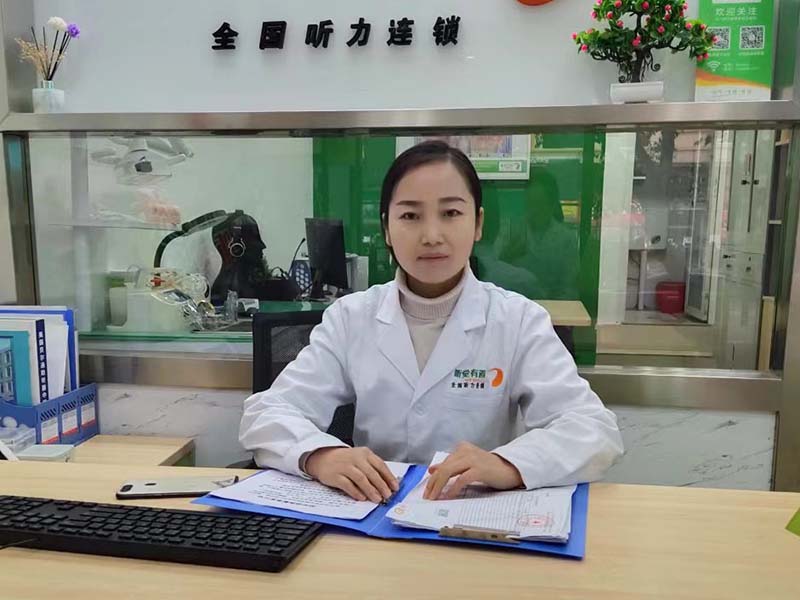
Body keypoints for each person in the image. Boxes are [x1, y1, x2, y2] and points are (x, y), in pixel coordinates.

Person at [240, 141, 623, 503]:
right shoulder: (351, 318)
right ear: (387, 229)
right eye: (410, 215)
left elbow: (593, 430)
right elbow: (267, 414)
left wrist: (507, 464)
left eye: (451, 213)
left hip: (473, 518)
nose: (431, 235)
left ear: (478, 223)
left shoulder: (517, 320)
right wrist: (320, 455)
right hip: (373, 515)